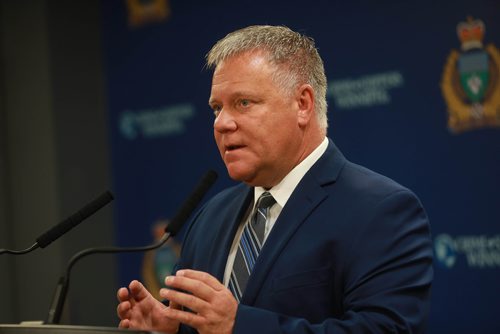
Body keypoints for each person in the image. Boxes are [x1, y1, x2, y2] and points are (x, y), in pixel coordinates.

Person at [117, 25, 433, 334]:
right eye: (216, 108)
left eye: (243, 103)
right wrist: (171, 330)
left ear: (303, 104)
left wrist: (239, 326)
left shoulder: (380, 210)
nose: (222, 123)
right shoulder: (210, 217)